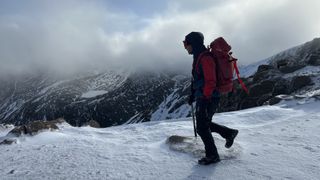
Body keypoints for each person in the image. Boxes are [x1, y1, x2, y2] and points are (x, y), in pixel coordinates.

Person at [183, 32, 239, 165]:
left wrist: (205, 98)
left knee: (202, 127)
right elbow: (197, 78)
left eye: (186, 44)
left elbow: (210, 81)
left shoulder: (205, 58)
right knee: (204, 124)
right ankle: (229, 133)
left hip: (208, 97)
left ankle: (212, 155)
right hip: (205, 96)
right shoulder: (199, 56)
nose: (185, 48)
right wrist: (193, 95)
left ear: (193, 43)